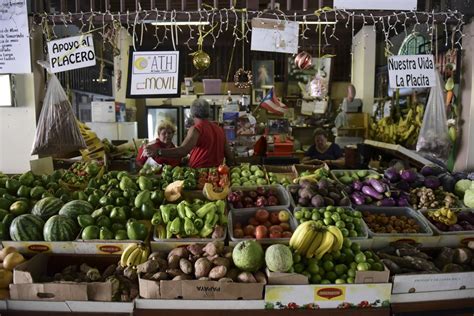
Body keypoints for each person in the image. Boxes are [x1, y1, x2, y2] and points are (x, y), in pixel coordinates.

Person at [143, 99, 234, 168]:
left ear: (192, 114)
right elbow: (229, 156)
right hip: (216, 174)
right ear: (208, 112)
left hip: (199, 175)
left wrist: (158, 151)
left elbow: (182, 151)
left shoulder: (196, 129)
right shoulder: (219, 129)